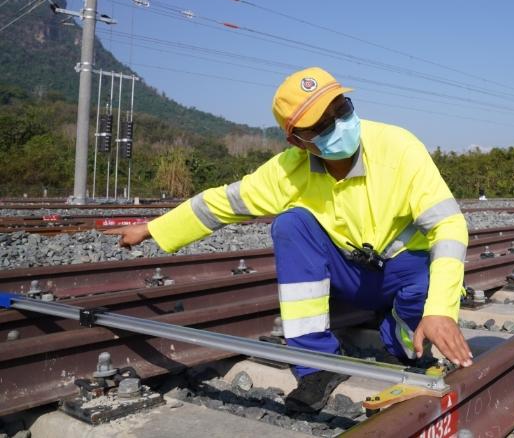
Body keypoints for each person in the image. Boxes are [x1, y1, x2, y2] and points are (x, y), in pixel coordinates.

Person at [107, 67, 473, 413]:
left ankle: (400, 341)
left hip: (405, 270)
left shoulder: (397, 147)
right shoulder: (289, 170)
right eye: (321, 125)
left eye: (341, 109)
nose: (338, 125)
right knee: (290, 225)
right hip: (353, 276)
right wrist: (154, 228)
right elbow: (224, 202)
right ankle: (315, 365)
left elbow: (449, 226)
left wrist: (441, 308)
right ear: (298, 141)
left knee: (422, 298)